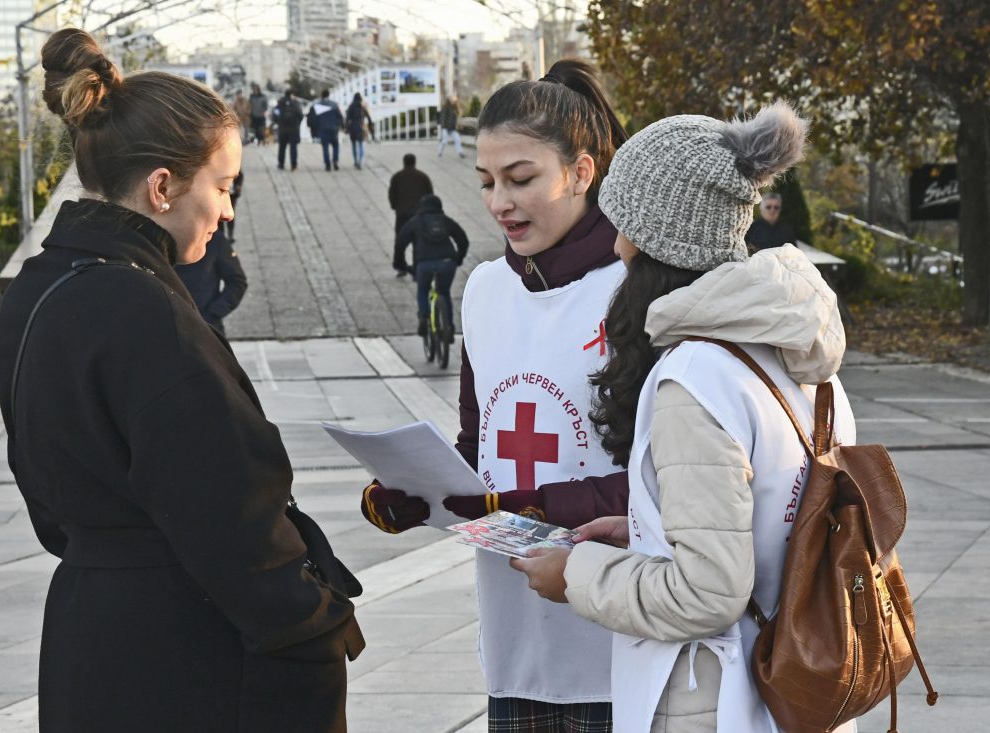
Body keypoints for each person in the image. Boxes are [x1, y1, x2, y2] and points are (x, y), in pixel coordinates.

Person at [0, 28, 363, 733]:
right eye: (222, 186)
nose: (227, 210)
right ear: (163, 187)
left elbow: (46, 502)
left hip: (86, 640)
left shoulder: (34, 292)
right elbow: (235, 515)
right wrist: (316, 627)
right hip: (191, 656)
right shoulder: (147, 311)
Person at [510, 103, 857, 732]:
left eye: (623, 223)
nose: (613, 243)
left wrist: (579, 575)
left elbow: (708, 593)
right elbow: (769, 527)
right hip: (799, 682)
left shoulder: (694, 379)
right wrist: (647, 528)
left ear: (654, 236)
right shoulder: (803, 356)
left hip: (715, 696)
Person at [360, 59, 630, 732]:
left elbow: (671, 481)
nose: (499, 202)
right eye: (485, 182)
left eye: (521, 178)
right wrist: (414, 492)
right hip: (515, 641)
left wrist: (520, 505)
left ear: (582, 171)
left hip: (625, 644)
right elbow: (478, 453)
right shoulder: (484, 289)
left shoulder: (636, 289)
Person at [393, 193, 469, 337]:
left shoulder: (416, 222)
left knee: (423, 289)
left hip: (424, 263)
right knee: (444, 292)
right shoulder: (445, 220)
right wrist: (459, 258)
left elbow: (400, 243)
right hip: (447, 263)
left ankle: (423, 316)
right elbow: (463, 239)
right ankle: (449, 328)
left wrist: (401, 264)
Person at [175, 227, 248, 335]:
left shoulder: (214, 239)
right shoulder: (153, 237)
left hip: (205, 328)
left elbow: (237, 282)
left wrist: (212, 313)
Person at [388, 153, 434, 275]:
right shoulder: (423, 177)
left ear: (404, 162)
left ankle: (401, 266)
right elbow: (430, 194)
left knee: (400, 241)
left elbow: (392, 194)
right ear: (414, 162)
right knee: (417, 241)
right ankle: (417, 265)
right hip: (419, 214)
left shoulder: (397, 177)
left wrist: (395, 206)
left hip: (402, 214)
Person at [307, 89, 343, 171]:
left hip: (322, 129)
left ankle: (327, 164)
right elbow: (339, 117)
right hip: (333, 129)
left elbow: (313, 119)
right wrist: (340, 126)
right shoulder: (334, 105)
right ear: (328, 95)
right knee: (335, 145)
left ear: (321, 96)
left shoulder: (317, 105)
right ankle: (335, 161)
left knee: (325, 146)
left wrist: (313, 129)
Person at [276, 89, 304, 171]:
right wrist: (297, 123)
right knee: (293, 147)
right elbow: (300, 115)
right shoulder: (295, 103)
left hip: (282, 128)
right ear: (292, 94)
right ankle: (293, 164)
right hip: (293, 128)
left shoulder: (280, 103)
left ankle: (281, 164)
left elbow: (275, 114)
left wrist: (279, 122)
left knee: (282, 147)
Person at [345, 92, 372, 169]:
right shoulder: (362, 107)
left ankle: (355, 161)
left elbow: (347, 119)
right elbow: (369, 118)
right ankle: (360, 161)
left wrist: (346, 128)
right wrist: (370, 129)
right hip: (360, 127)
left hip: (352, 127)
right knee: (360, 145)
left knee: (353, 145)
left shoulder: (350, 107)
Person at [224, 169, 243, 241]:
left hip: (232, 194)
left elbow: (240, 175)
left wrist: (238, 186)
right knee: (219, 216)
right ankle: (221, 235)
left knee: (231, 214)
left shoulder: (232, 161)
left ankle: (230, 235)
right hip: (221, 193)